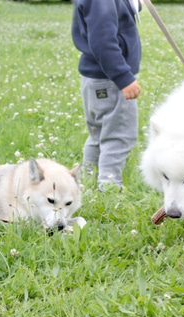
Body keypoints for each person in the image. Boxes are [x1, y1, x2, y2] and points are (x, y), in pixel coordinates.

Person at [71, 0, 142, 191]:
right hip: (110, 80)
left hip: (98, 77)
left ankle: (88, 181)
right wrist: (123, 78)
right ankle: (109, 187)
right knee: (118, 136)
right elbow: (103, 40)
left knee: (99, 133)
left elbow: (124, 13)